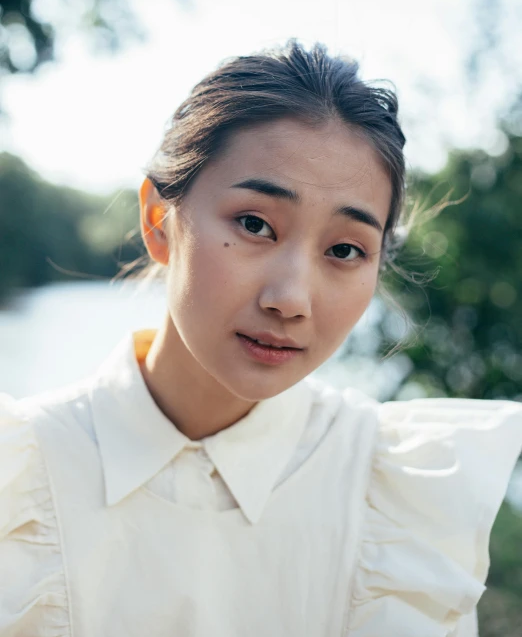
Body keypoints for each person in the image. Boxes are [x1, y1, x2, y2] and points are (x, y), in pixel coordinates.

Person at [1, 41, 521, 637]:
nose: (291, 299)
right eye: (255, 225)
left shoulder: (399, 507)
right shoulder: (17, 486)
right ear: (158, 222)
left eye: (345, 250)